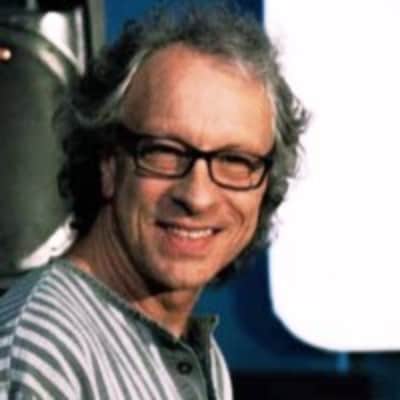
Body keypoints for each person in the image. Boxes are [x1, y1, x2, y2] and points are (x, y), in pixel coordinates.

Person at [0, 2, 308, 399]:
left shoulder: (196, 354)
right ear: (108, 163)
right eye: (165, 152)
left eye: (235, 161)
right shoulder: (37, 355)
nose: (198, 196)